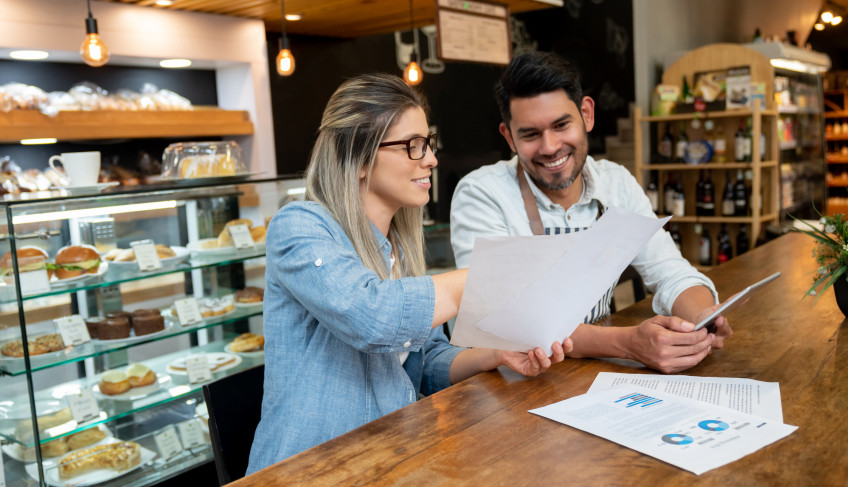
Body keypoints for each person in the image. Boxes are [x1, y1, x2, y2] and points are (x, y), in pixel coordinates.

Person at [247, 73, 572, 472]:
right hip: (307, 471)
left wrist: (497, 355)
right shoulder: (299, 226)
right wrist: (488, 277)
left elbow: (427, 363)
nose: (431, 159)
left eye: (428, 143)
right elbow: (371, 317)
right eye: (412, 146)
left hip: (389, 457)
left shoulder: (399, 247)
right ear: (359, 157)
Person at [450, 51, 732, 375]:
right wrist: (627, 344)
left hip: (590, 375)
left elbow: (671, 271)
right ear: (508, 137)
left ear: (586, 114)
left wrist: (700, 321)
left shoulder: (617, 184)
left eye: (561, 125)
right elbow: (508, 321)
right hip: (507, 387)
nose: (550, 146)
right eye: (530, 134)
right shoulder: (482, 194)